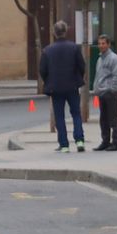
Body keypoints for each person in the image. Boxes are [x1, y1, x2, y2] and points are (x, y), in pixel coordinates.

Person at [39, 20, 87, 152]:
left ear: (54, 33)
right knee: (76, 113)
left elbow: (42, 70)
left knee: (59, 116)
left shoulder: (47, 50)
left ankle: (64, 144)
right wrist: (78, 78)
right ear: (66, 31)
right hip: (72, 85)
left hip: (55, 87)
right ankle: (79, 140)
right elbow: (82, 66)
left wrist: (48, 81)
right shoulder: (74, 48)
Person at [93, 35, 117, 151]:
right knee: (103, 118)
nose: (101, 46)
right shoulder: (100, 59)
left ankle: (116, 142)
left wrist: (112, 89)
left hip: (110, 92)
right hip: (102, 92)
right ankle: (105, 141)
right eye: (99, 43)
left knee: (113, 118)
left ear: (108, 44)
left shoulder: (114, 59)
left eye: (103, 43)